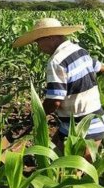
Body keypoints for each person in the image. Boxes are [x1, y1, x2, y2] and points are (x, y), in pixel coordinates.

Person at [13, 18, 104, 161]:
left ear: (50, 37)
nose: (38, 47)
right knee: (50, 155)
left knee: (71, 174)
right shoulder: (80, 50)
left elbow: (55, 100)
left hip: (79, 129)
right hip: (96, 121)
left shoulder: (56, 61)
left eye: (38, 42)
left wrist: (38, 114)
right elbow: (101, 68)